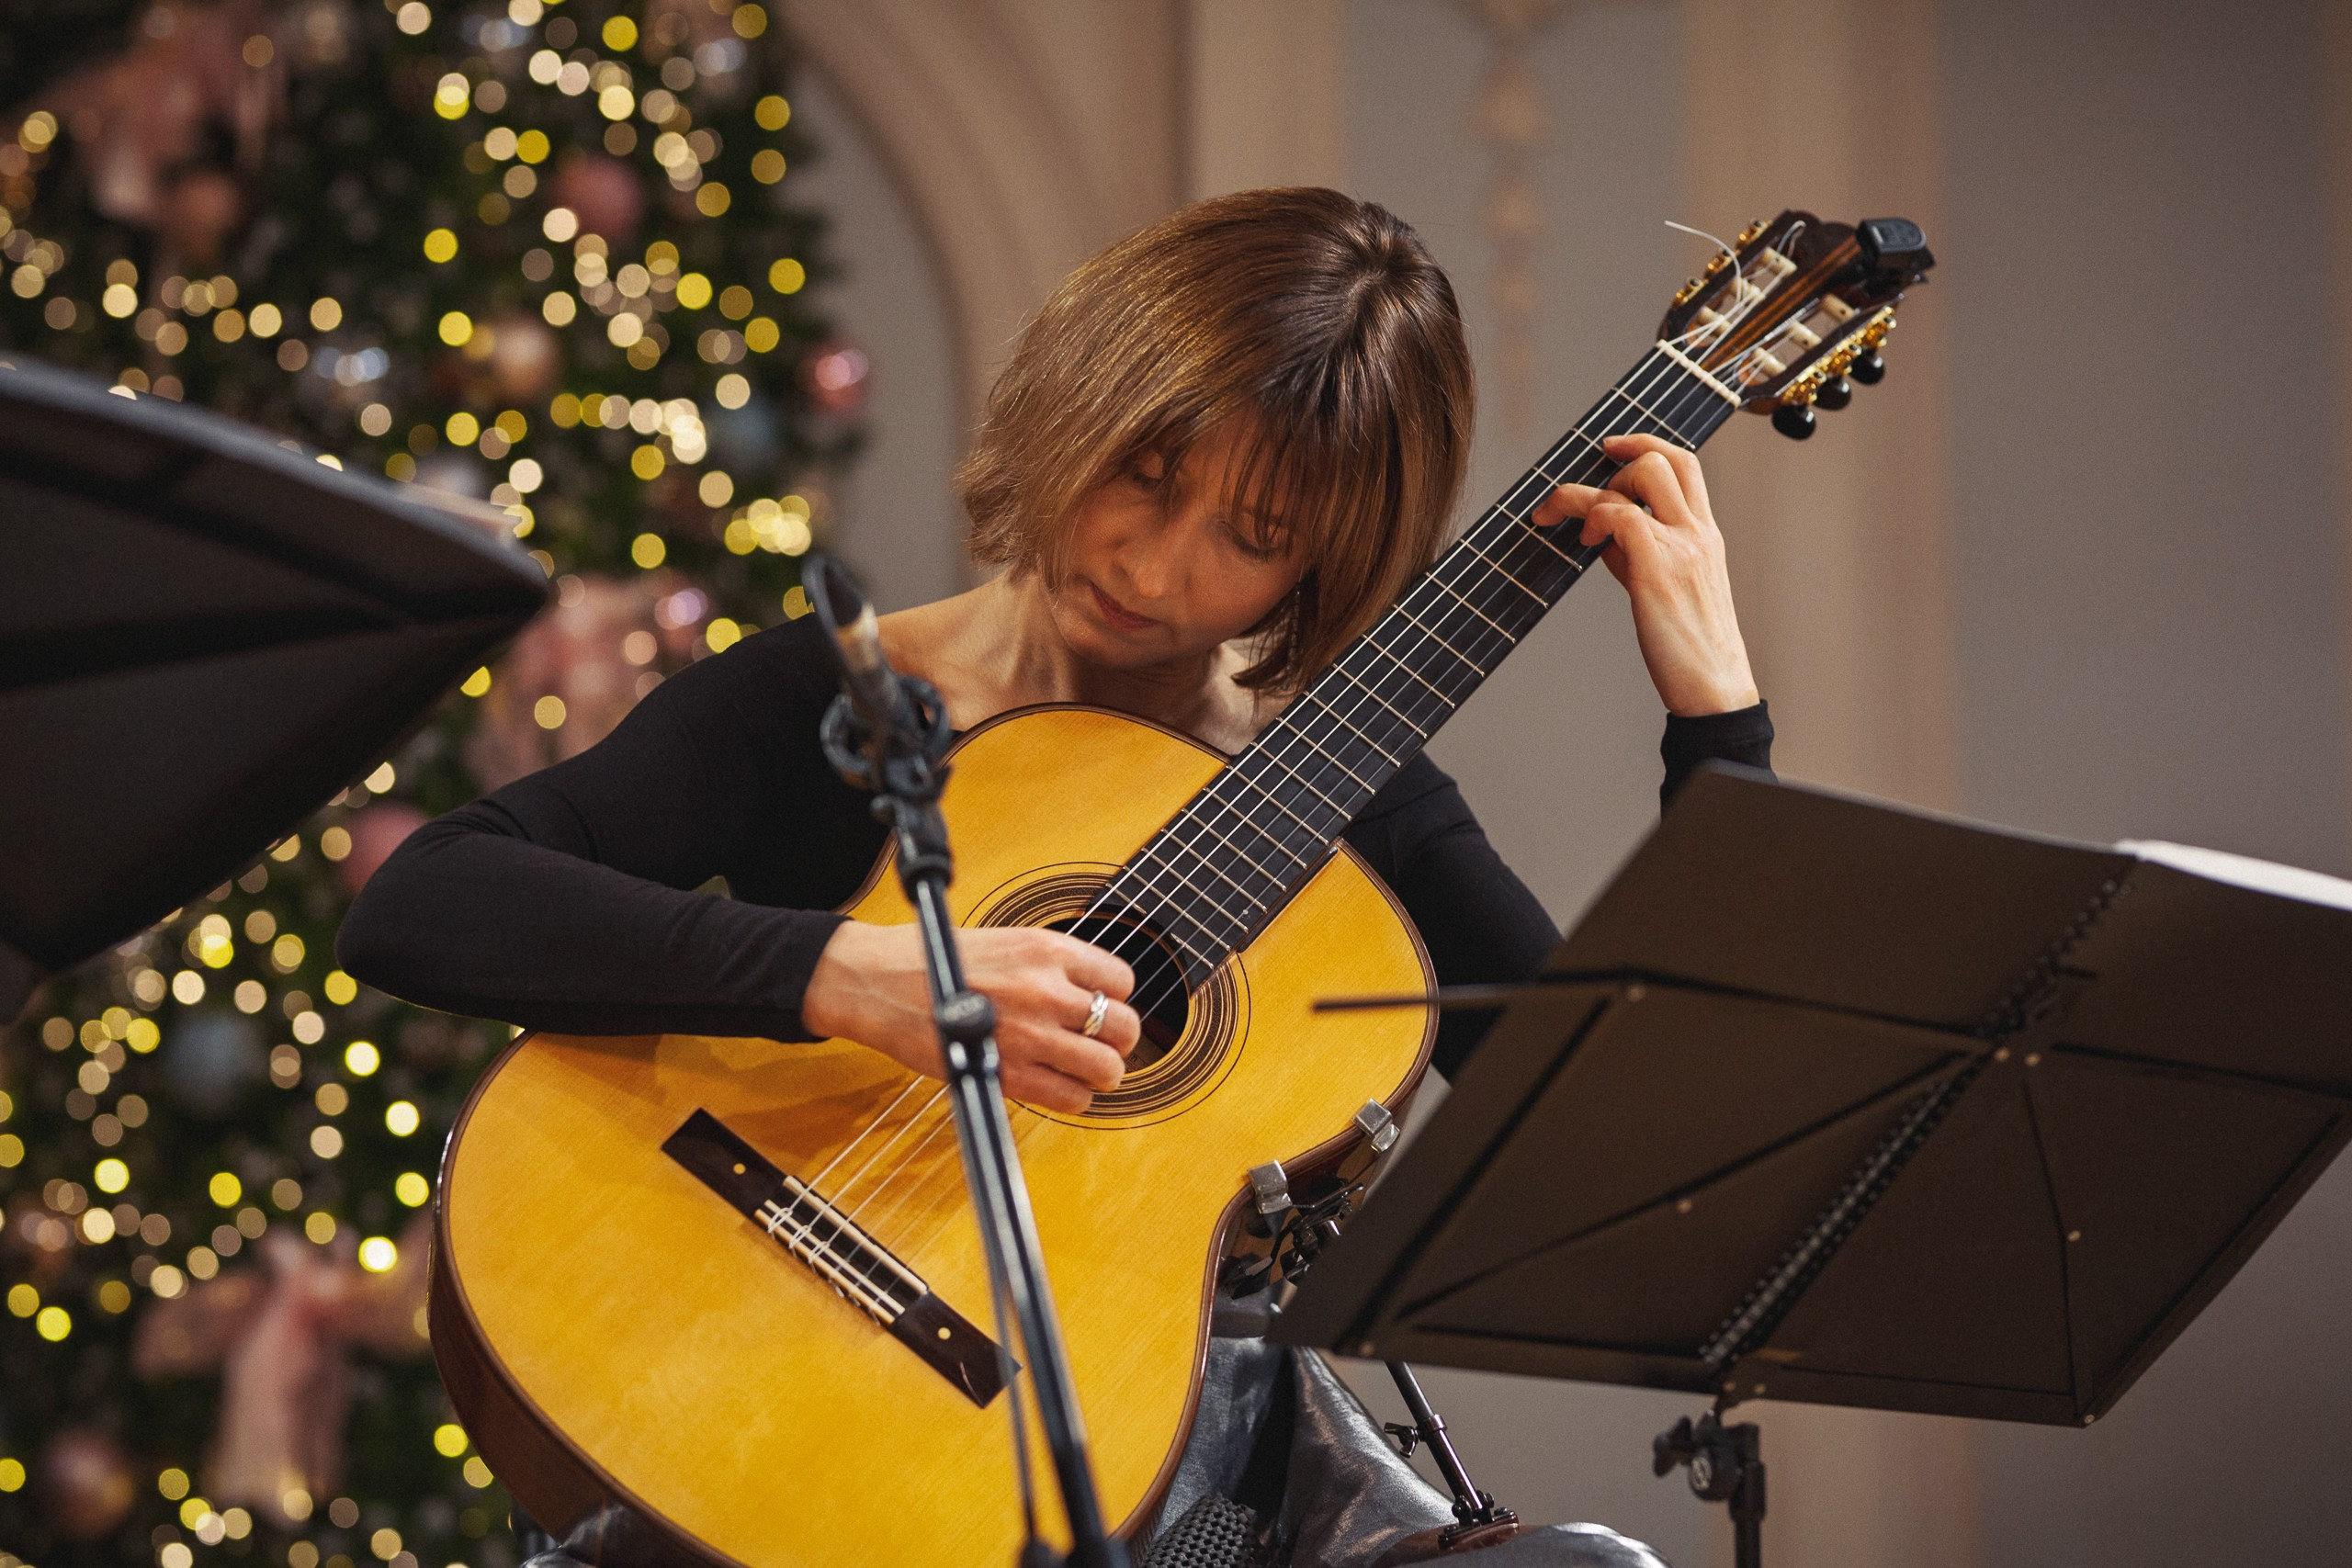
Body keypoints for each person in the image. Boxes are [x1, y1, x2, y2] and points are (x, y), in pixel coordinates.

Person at [338, 186, 1770, 1564]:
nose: (1155, 564)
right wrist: (864, 979)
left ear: (1320, 569)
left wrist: (1719, 725)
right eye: (1148, 473)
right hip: (695, 1340)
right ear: (1080, 395)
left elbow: (1630, 1152)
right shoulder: (831, 695)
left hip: (1075, 1478)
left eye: (1253, 540)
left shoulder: (1341, 788)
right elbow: (430, 901)